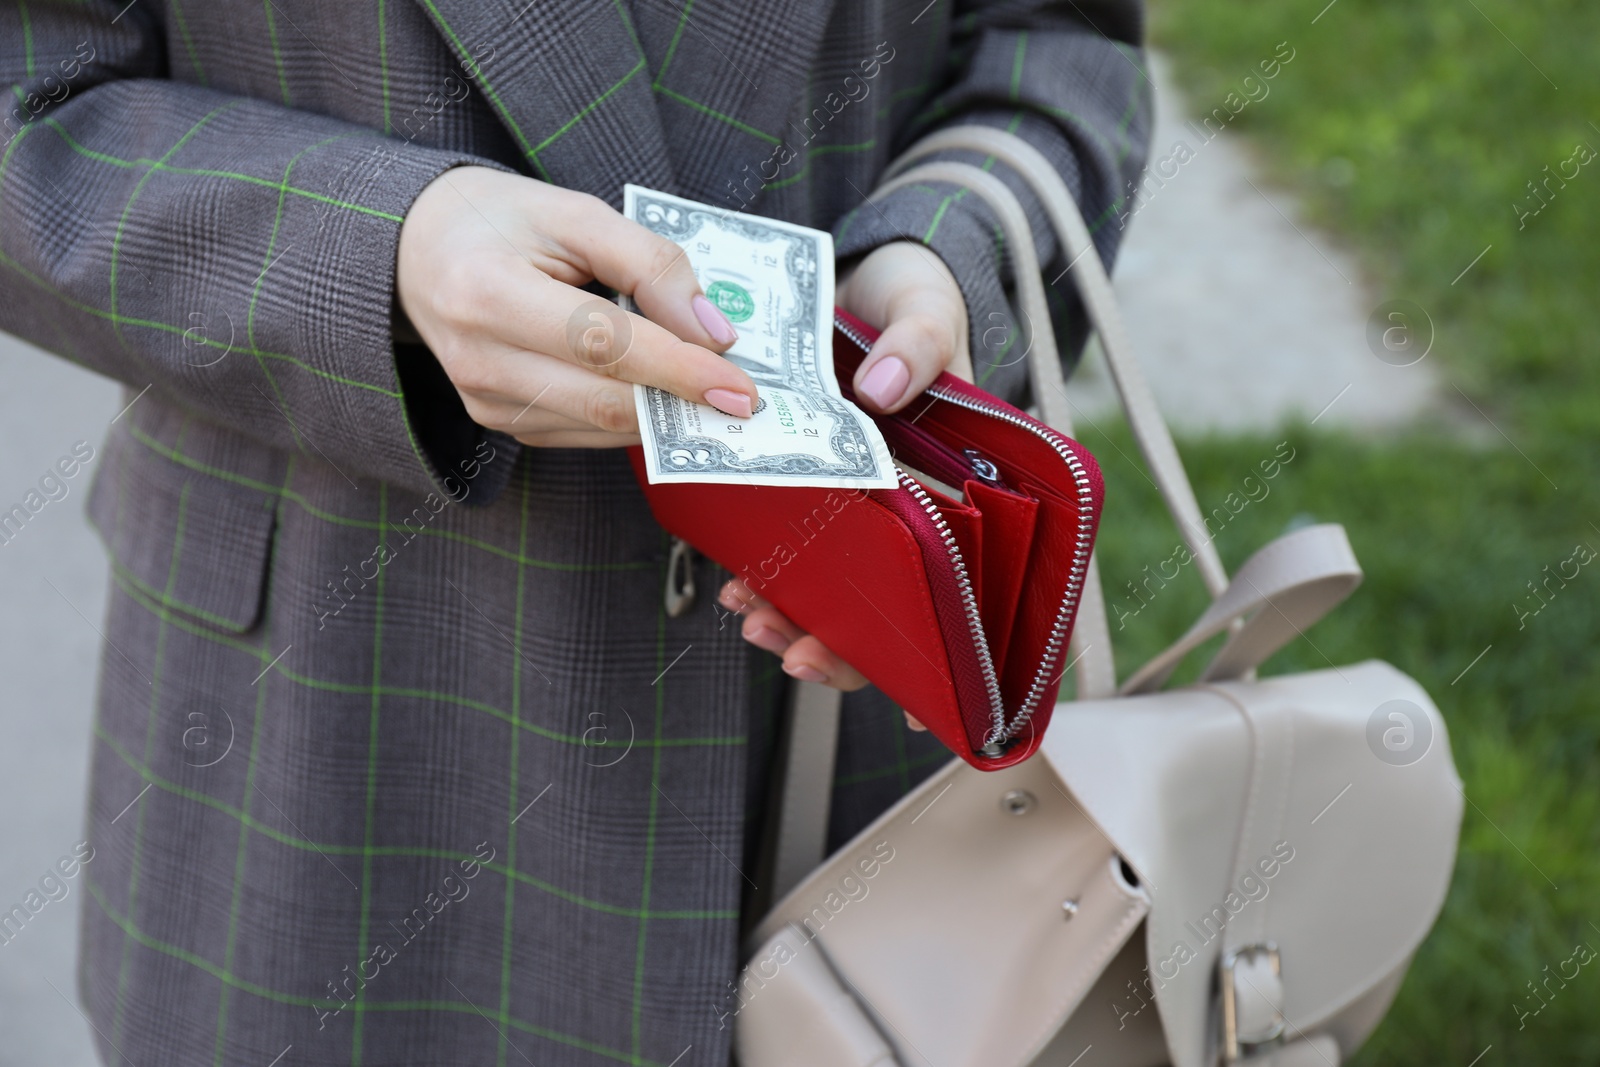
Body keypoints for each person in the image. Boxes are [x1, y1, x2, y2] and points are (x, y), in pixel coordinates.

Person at [0, 1, 1148, 1063]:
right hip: (327, 727)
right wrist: (374, 255)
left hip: (834, 753)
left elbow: (1054, 40)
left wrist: (941, 249)